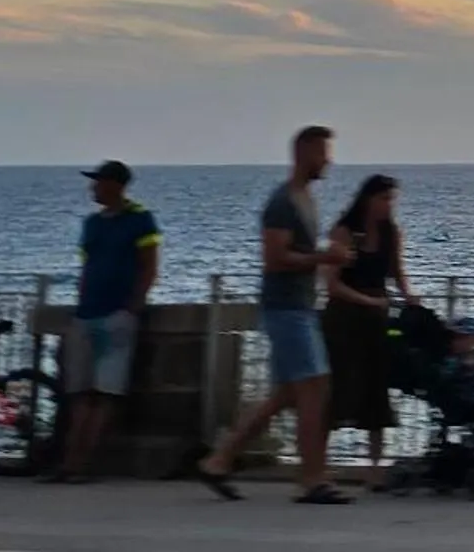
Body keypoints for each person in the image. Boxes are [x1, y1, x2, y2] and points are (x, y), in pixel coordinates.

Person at [196, 126, 357, 505]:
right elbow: (275, 259)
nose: (328, 161)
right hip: (286, 309)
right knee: (315, 389)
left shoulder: (306, 200)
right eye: (322, 153)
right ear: (302, 154)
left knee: (286, 394)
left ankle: (218, 461)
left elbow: (296, 252)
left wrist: (324, 255)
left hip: (300, 306)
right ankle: (312, 480)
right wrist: (325, 258)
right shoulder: (281, 202)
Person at [50, 159, 163, 483]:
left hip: (117, 315)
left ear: (116, 184)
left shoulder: (141, 220)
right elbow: (87, 267)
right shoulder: (92, 224)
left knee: (106, 393)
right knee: (80, 392)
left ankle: (83, 464)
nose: (93, 188)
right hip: (87, 313)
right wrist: (81, 302)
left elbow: (149, 266)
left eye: (98, 182)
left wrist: (133, 306)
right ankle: (70, 463)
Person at [322, 173, 418, 490]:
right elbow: (332, 284)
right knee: (336, 388)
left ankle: (374, 467)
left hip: (375, 316)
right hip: (344, 316)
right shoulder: (346, 231)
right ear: (368, 198)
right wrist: (367, 300)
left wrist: (408, 296)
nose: (388, 205)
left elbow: (397, 271)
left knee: (376, 390)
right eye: (384, 199)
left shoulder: (392, 233)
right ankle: (319, 463)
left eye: (392, 200)